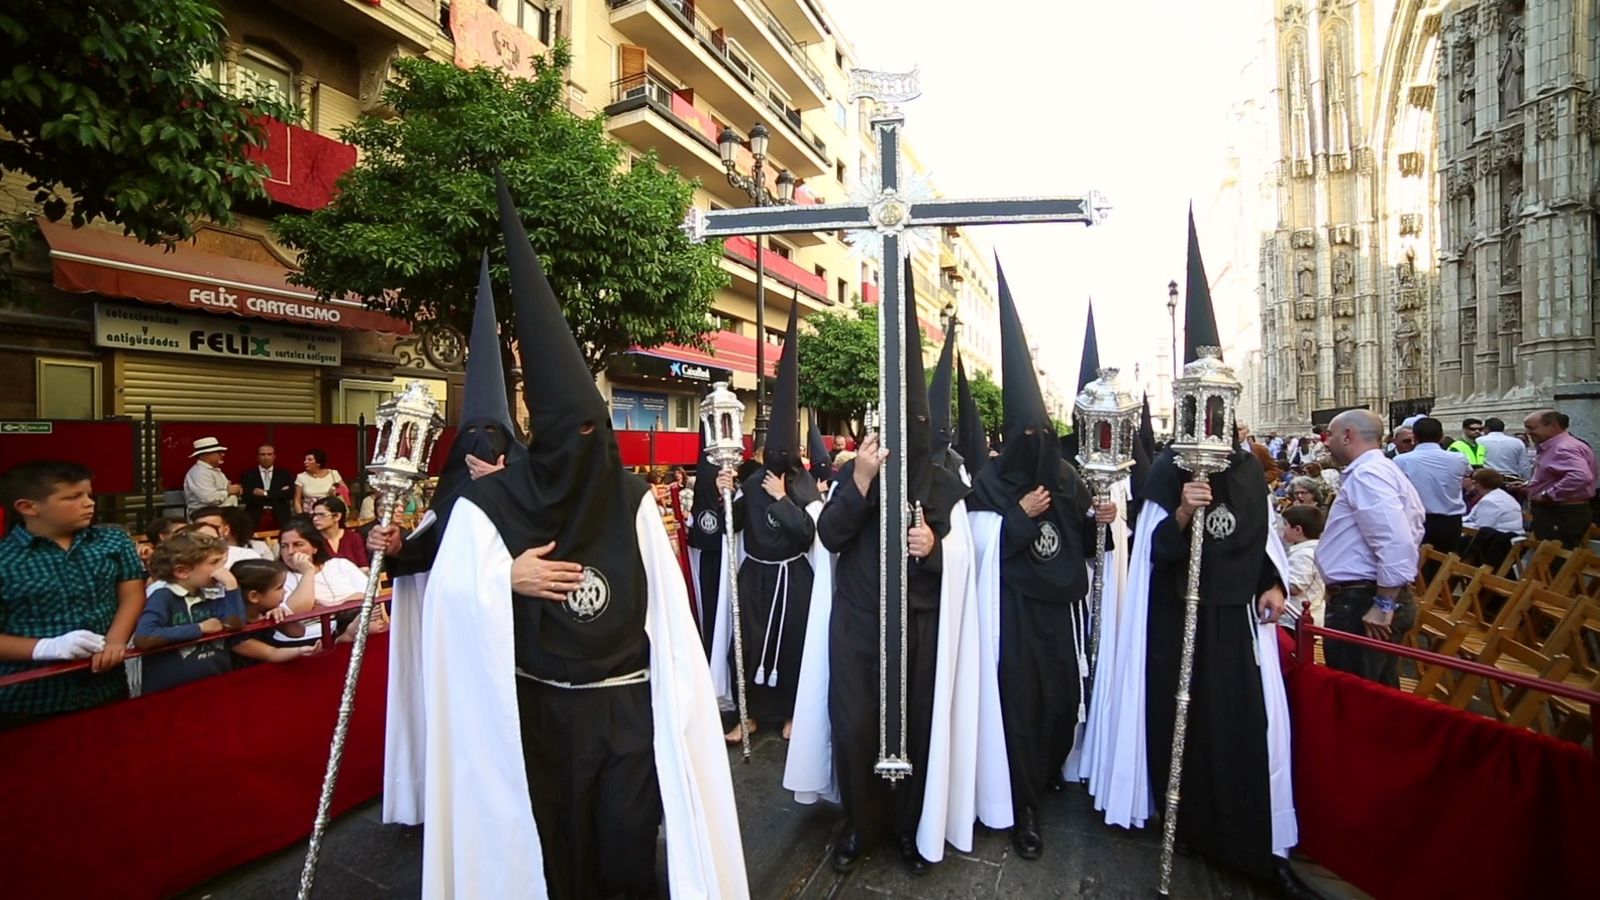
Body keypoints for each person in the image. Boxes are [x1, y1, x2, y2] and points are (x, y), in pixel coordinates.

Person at [408, 177, 746, 898]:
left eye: (597, 430)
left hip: (626, 707)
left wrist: (682, 708)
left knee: (626, 847)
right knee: (554, 849)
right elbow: (445, 599)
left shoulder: (627, 498)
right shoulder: (490, 505)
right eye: (572, 434)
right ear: (543, 436)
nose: (586, 446)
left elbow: (670, 614)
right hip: (540, 713)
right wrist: (505, 581)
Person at [1085, 217, 1311, 900]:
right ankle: (1178, 823)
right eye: (1199, 410)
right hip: (1175, 625)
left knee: (1238, 730)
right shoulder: (1162, 474)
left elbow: (1259, 536)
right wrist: (1183, 510)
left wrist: (1272, 581)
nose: (1209, 423)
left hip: (1234, 620)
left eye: (1217, 409)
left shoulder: (1244, 469)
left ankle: (1243, 839)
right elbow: (1152, 549)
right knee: (1179, 722)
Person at [787, 261, 978, 875]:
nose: (909, 434)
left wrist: (936, 549)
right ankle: (858, 826)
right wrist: (862, 481)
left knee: (916, 730)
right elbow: (831, 535)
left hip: (919, 629)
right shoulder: (856, 472)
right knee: (857, 728)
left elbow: (964, 566)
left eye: (917, 425)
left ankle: (906, 827)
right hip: (860, 626)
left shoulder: (945, 484)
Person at [367, 252, 525, 828]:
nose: (484, 448)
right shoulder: (450, 496)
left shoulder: (526, 484)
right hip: (461, 633)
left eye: (495, 440)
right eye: (474, 442)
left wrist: (507, 489)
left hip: (515, 633)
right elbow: (424, 553)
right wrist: (390, 549)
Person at [966, 264, 1116, 861]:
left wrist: (1096, 524)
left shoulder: (1070, 478)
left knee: (1059, 701)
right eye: (1023, 434)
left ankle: (1051, 772)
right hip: (1015, 615)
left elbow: (1082, 537)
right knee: (1021, 709)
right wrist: (1021, 515)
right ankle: (1023, 804)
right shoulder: (988, 484)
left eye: (1040, 434)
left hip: (1064, 613)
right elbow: (982, 549)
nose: (1034, 444)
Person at [719, 303, 826, 744]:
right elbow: (735, 526)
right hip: (756, 575)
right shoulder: (752, 479)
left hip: (793, 577)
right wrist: (727, 493)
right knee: (746, 644)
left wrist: (783, 500)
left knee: (793, 646)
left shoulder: (804, 486)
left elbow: (809, 533)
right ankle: (748, 715)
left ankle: (789, 714)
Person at [0, 461, 144, 726]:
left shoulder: (113, 541)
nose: (88, 503)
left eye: (89, 494)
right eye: (73, 497)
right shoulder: (5, 560)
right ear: (28, 507)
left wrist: (116, 640)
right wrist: (46, 647)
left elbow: (132, 593)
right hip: (30, 698)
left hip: (106, 686)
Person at [1317, 409, 1425, 686]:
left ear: (1347, 435)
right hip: (1364, 596)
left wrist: (1383, 603)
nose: (1325, 442)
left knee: (1356, 693)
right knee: (1377, 694)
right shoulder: (1377, 470)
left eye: (1329, 435)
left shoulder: (1369, 474)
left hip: (1362, 600)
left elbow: (1395, 540)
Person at [133, 531, 248, 694]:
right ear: (182, 572)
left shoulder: (211, 594)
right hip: (173, 693)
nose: (221, 570)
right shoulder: (163, 596)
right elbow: (145, 637)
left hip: (215, 684)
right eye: (214, 563)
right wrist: (199, 628)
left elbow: (235, 623)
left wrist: (231, 586)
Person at [276, 516, 368, 645]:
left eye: (298, 544)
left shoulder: (340, 564)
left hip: (355, 623)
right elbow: (297, 613)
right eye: (284, 546)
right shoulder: (279, 578)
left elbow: (370, 595)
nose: (290, 552)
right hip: (309, 638)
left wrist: (333, 606)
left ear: (315, 548)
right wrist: (308, 571)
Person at [1394, 417, 1471, 554]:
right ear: (1441, 436)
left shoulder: (1401, 460)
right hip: (1450, 522)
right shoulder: (1459, 458)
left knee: (1419, 564)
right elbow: (1468, 473)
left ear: (1415, 438)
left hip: (1417, 520)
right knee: (1446, 563)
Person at [1523, 409, 1597, 549]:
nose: (1527, 432)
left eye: (1531, 428)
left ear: (1553, 426)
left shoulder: (1563, 447)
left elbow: (1580, 476)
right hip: (1559, 511)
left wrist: (1548, 495)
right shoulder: (1557, 446)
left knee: (1554, 560)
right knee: (1551, 559)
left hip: (1561, 512)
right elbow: (1556, 474)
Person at [1281, 505, 1326, 628]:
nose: (1282, 528)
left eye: (1285, 524)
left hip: (1295, 621)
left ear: (1297, 529)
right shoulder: (1312, 551)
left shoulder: (1305, 555)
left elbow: (1294, 587)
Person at [190, 505, 268, 567]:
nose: (207, 532)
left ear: (226, 530)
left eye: (215, 527)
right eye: (201, 528)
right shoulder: (186, 558)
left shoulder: (247, 556)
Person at [183, 437, 241, 516]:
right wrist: (228, 491)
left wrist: (236, 491)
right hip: (207, 517)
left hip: (222, 515)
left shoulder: (213, 470)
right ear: (205, 455)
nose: (222, 454)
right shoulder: (200, 473)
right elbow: (209, 498)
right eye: (218, 452)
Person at [240, 444, 294, 529]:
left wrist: (265, 493)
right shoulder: (248, 475)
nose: (266, 457)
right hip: (255, 516)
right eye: (263, 454)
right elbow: (246, 497)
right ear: (257, 457)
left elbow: (289, 494)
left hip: (281, 516)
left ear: (274, 456)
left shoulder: (284, 474)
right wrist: (277, 494)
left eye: (269, 454)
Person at [311, 497, 370, 571]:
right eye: (314, 515)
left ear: (337, 516)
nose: (315, 519)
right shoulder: (312, 540)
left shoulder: (354, 537)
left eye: (321, 515)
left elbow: (364, 567)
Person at [1463, 468, 1525, 535]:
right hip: (1508, 536)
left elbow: (1482, 528)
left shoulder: (1490, 502)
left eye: (1474, 482)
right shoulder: (1501, 494)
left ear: (1480, 484)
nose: (1474, 485)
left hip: (1500, 539)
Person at [293, 449, 345, 514]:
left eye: (309, 460)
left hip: (330, 513)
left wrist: (335, 492)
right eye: (305, 459)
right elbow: (297, 500)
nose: (305, 462)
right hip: (309, 514)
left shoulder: (333, 473)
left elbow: (345, 491)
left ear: (318, 463)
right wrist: (300, 515)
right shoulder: (301, 477)